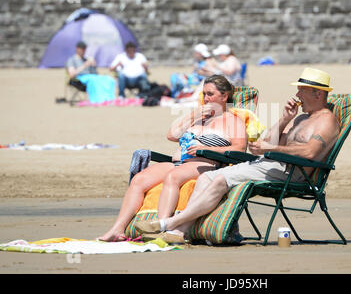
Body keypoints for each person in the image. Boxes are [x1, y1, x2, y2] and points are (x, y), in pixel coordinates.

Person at [135, 67, 340, 244]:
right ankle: (179, 232)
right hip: (271, 165)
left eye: (301, 91)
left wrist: (275, 151)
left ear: (318, 94)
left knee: (221, 179)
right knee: (207, 177)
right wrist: (285, 120)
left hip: (293, 173)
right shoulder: (300, 118)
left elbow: (310, 152)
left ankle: (169, 223)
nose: (297, 95)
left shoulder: (326, 121)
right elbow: (268, 141)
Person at [98, 75, 247, 242]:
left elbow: (239, 149)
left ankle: (160, 227)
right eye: (204, 94)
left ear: (224, 96)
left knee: (172, 177)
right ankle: (118, 229)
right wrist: (192, 116)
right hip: (179, 162)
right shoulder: (199, 116)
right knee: (139, 180)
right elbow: (172, 136)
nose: (206, 98)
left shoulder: (233, 121)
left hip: (206, 163)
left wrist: (207, 148)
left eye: (210, 94)